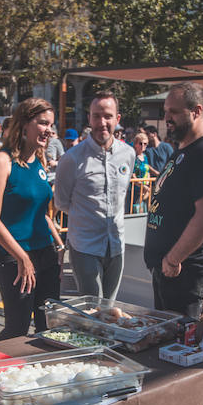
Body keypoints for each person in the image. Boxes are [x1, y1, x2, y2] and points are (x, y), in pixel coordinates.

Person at [0, 98, 65, 340]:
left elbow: (43, 214)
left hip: (46, 253)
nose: (49, 130)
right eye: (42, 123)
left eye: (51, 124)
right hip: (14, 257)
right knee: (17, 328)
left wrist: (59, 246)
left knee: (49, 326)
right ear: (24, 124)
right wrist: (22, 257)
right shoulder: (2, 161)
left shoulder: (39, 161)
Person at [143, 82, 203, 319]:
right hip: (168, 269)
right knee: (166, 338)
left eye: (175, 112)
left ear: (197, 111)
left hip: (183, 270)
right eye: (166, 111)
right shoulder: (183, 149)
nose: (167, 118)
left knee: (179, 343)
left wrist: (174, 257)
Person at [54, 91, 135, 300]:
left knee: (110, 308)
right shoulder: (71, 159)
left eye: (107, 116)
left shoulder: (128, 154)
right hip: (85, 245)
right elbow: (62, 203)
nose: (102, 122)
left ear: (117, 119)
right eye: (96, 116)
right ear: (89, 118)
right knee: (93, 312)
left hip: (116, 244)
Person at [131, 132, 157, 213]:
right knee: (134, 212)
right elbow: (132, 175)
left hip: (145, 190)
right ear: (135, 144)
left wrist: (156, 173)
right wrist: (142, 186)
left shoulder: (145, 157)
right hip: (135, 190)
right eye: (140, 143)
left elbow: (147, 168)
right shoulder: (132, 157)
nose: (143, 146)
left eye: (145, 144)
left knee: (144, 212)